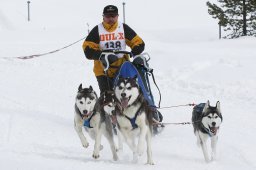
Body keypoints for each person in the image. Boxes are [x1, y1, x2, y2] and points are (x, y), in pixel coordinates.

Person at [82, 5, 145, 94]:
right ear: (103, 16)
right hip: (103, 69)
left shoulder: (123, 28)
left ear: (117, 16)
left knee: (125, 95)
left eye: (113, 16)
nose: (111, 18)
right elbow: (87, 49)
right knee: (107, 98)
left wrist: (135, 52)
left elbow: (139, 43)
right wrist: (101, 55)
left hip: (121, 67)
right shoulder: (98, 30)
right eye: (108, 16)